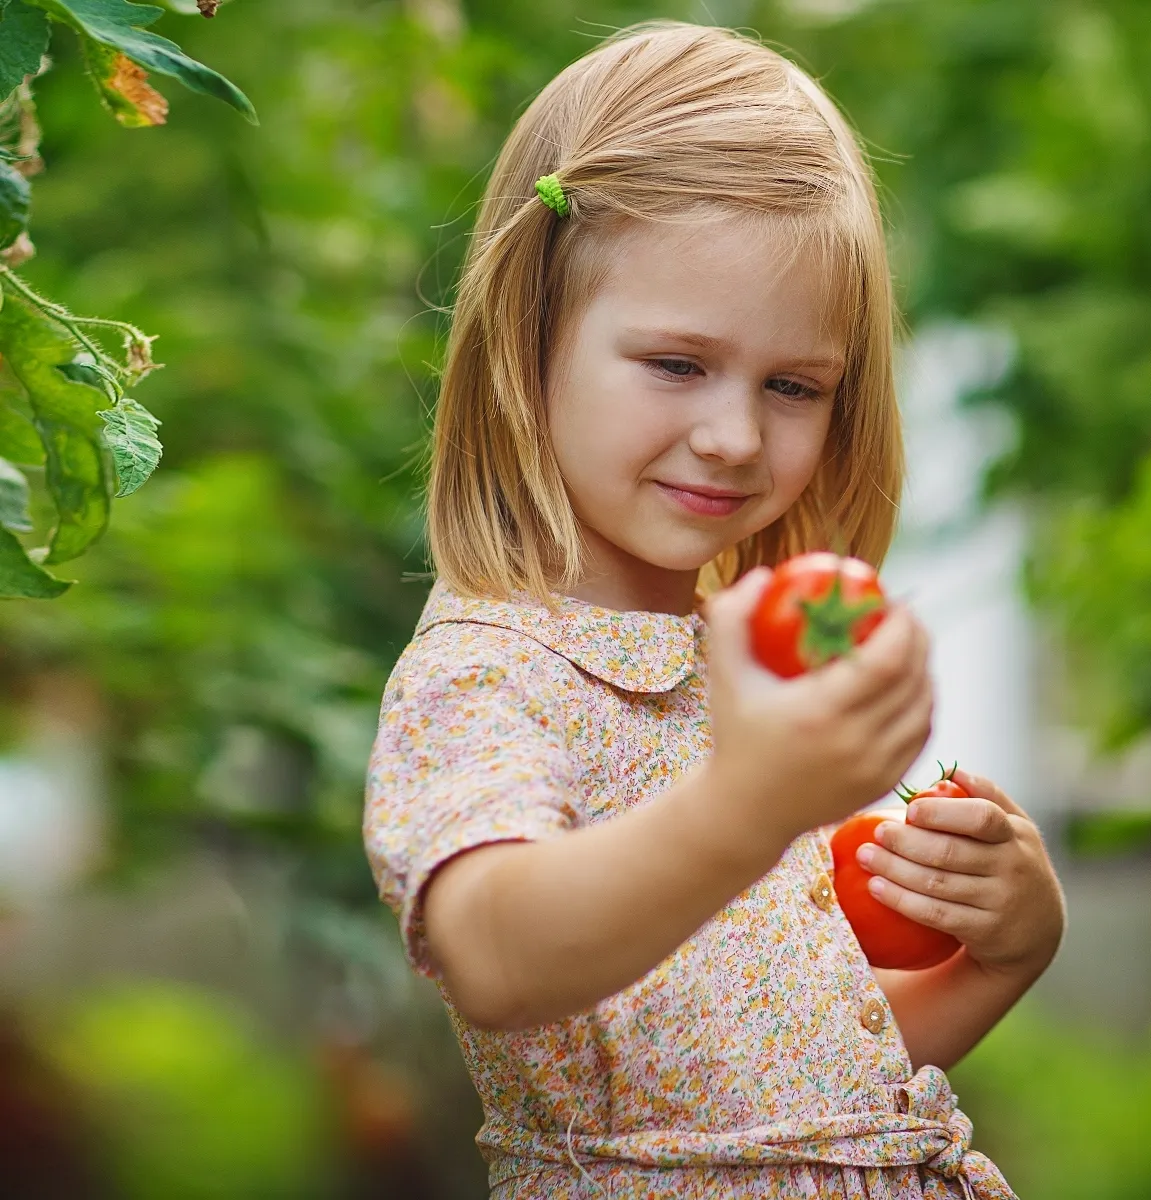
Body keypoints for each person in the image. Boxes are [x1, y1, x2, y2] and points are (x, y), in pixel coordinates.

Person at [362, 22, 1066, 1198]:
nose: (736, 436)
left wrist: (1000, 961)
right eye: (678, 365)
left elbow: (783, 1099)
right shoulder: (489, 669)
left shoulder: (728, 657)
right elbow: (491, 950)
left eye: (794, 386)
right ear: (527, 342)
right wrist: (748, 807)